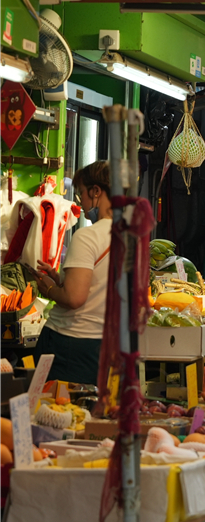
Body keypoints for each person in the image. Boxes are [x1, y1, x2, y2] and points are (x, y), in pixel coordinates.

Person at [33, 162, 113, 385]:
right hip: (103, 344)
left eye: (81, 196)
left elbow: (75, 298)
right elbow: (99, 286)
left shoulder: (87, 237)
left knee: (53, 411)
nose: (82, 204)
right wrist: (61, 280)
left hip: (69, 344)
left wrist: (47, 288)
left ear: (96, 191)